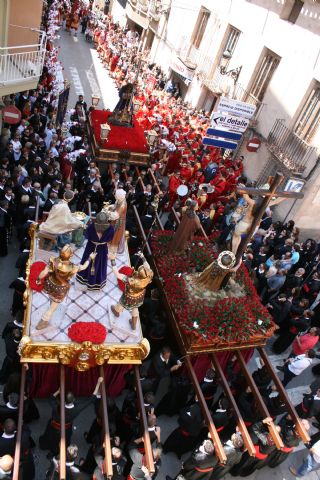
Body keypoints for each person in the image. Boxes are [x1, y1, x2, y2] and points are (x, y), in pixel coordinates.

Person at [39, 377, 103, 456]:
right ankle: (57, 451)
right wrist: (98, 383)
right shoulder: (77, 408)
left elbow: (51, 398)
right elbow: (92, 398)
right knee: (64, 440)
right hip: (66, 429)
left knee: (50, 438)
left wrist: (58, 391)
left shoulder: (57, 406)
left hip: (53, 427)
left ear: (64, 400)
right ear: (73, 399)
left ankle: (51, 451)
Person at [35, 244, 93, 329]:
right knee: (52, 308)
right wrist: (90, 258)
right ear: (71, 255)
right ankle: (42, 322)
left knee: (52, 298)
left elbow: (44, 272)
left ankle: (51, 303)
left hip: (49, 284)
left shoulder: (53, 260)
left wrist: (38, 279)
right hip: (60, 289)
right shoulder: (73, 267)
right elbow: (84, 267)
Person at [110, 251, 153, 330]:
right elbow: (148, 267)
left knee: (121, 304)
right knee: (135, 307)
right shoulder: (148, 276)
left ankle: (116, 312)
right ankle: (133, 323)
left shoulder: (131, 281)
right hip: (139, 297)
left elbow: (117, 274)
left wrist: (112, 260)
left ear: (139, 273)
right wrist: (142, 257)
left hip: (129, 297)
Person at [76, 212, 115, 291]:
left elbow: (87, 236)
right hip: (102, 249)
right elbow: (110, 239)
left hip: (90, 247)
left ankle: (84, 278)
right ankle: (95, 282)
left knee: (86, 261)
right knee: (99, 265)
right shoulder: (111, 229)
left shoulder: (91, 227)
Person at [108, 188, 127, 255]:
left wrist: (108, 213)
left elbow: (116, 215)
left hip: (119, 221)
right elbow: (115, 205)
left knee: (116, 234)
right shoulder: (120, 199)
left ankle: (112, 249)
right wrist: (110, 206)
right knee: (111, 231)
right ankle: (109, 244)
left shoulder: (123, 205)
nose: (115, 197)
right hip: (115, 220)